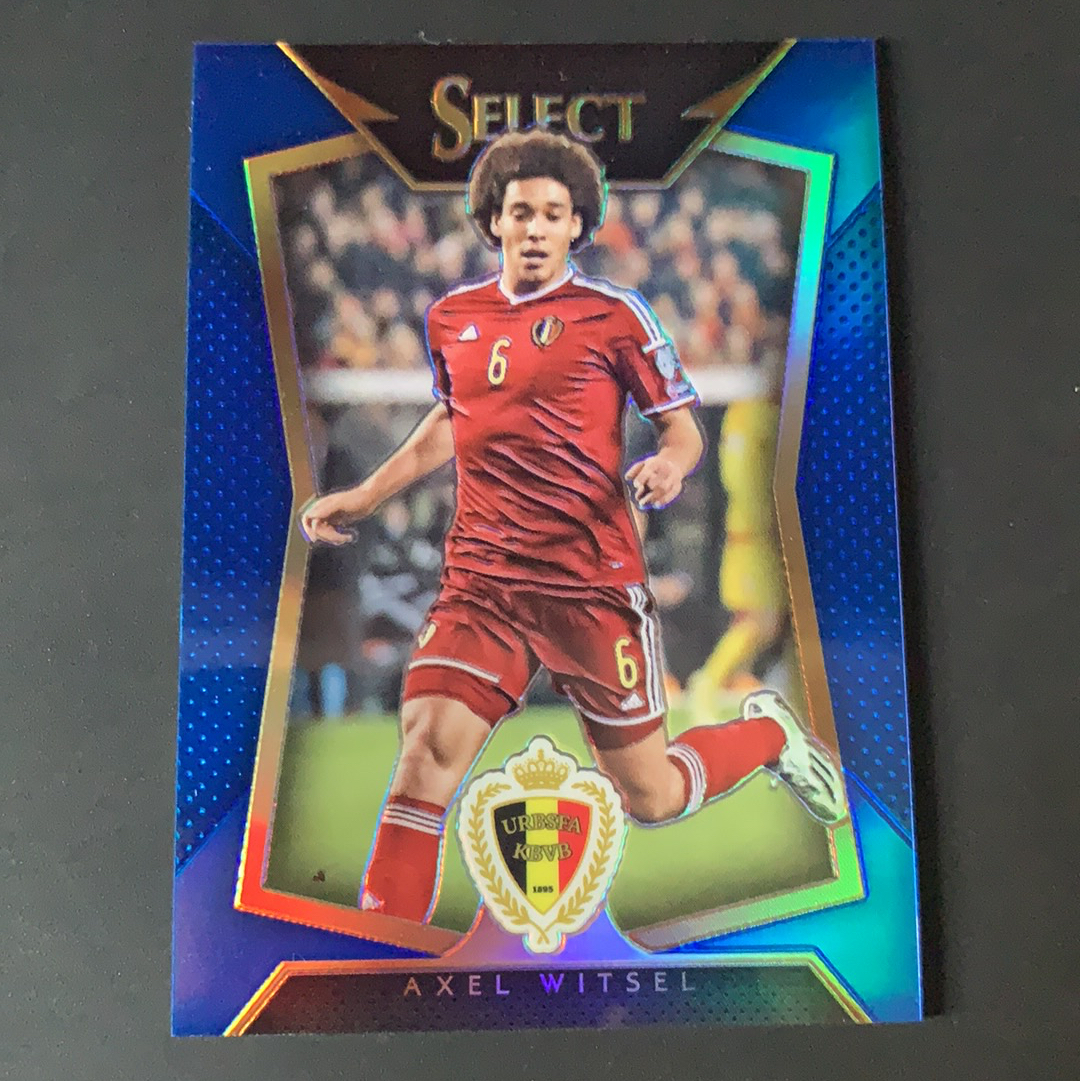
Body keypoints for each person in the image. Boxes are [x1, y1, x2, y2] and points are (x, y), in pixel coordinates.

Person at [300, 128, 845, 925]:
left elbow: (682, 428)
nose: (535, 228)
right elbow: (452, 420)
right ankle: (381, 952)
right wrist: (367, 493)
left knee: (652, 794)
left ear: (577, 225)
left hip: (589, 587)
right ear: (494, 220)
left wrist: (670, 465)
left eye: (553, 214)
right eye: (521, 212)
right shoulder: (453, 317)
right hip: (483, 583)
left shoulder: (615, 316)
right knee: (422, 759)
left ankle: (767, 737)